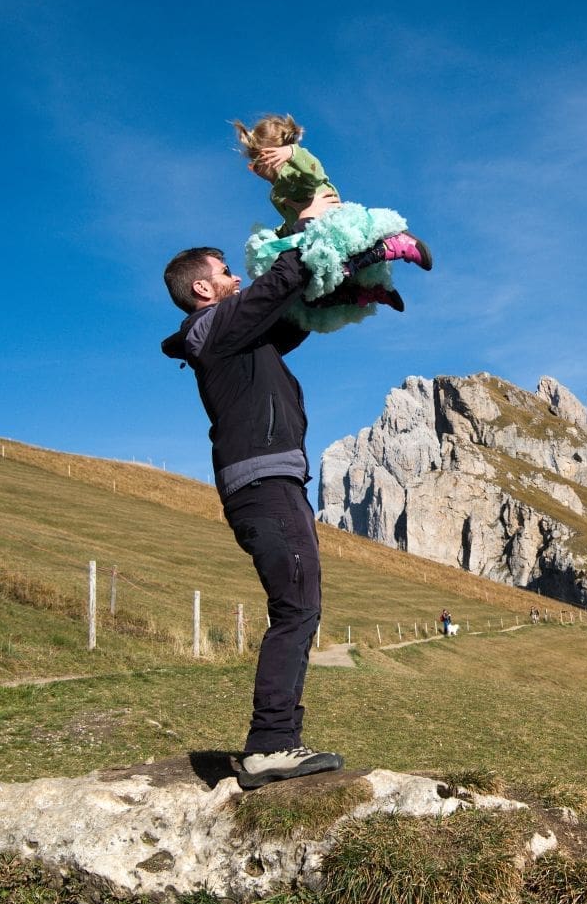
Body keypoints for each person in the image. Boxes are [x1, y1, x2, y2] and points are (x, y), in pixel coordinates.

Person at [159, 240, 424, 788]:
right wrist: (312, 235)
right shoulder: (211, 329)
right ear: (203, 288)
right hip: (264, 484)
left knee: (299, 605)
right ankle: (272, 744)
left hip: (271, 483)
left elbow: (290, 315)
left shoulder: (236, 334)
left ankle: (275, 739)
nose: (236, 278)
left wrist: (352, 283)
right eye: (226, 271)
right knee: (297, 607)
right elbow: (277, 285)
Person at [233, 113, 432, 332]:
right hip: (314, 235)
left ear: (274, 155)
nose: (255, 169)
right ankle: (369, 293)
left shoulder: (297, 171)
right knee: (310, 297)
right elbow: (292, 221)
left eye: (259, 161)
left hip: (334, 227)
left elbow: (314, 173)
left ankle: (396, 245)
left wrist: (292, 152)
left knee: (340, 266)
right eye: (252, 164)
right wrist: (280, 235)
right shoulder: (276, 194)